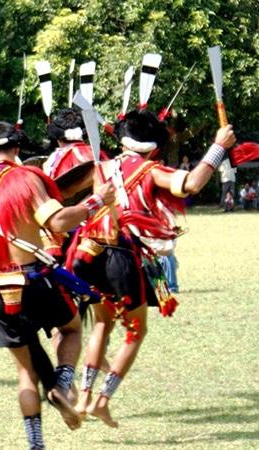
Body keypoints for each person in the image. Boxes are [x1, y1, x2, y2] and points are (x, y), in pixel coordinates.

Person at [67, 110, 236, 428]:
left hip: (93, 255)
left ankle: (84, 396)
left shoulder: (102, 167)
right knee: (135, 331)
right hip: (124, 259)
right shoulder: (151, 170)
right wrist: (218, 146)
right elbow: (191, 184)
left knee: (102, 326)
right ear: (153, 145)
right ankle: (102, 401)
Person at [0, 122, 115, 449]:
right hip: (33, 280)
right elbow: (58, 221)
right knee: (72, 328)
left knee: (25, 374)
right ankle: (62, 381)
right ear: (17, 149)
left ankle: (36, 444)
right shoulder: (26, 178)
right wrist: (95, 201)